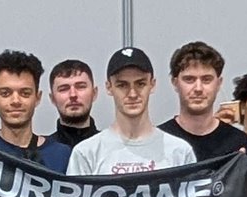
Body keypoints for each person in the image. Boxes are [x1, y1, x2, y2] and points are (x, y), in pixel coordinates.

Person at [158, 42, 247, 197]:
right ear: (175, 83)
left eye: (206, 79)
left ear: (219, 83)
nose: (198, 88)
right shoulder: (157, 141)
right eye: (189, 79)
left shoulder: (241, 144)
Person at [66, 48, 197, 175]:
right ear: (109, 87)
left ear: (152, 84)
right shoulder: (86, 153)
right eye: (122, 85)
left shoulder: (179, 152)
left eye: (140, 84)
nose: (132, 94)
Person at [0, 50, 72, 173]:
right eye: (5, 93)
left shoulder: (62, 155)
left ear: (37, 97)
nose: (15, 101)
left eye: (25, 93)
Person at [47, 59, 100, 149]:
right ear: (53, 99)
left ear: (94, 93)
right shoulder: (41, 153)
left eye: (81, 87)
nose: (73, 95)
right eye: (64, 89)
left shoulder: (111, 149)